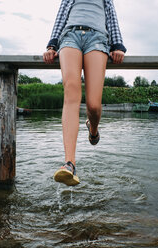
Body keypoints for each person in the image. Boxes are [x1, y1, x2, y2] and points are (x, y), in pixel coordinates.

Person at [43, 0, 126, 186]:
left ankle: (93, 129)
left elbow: (111, 18)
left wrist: (118, 45)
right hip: (70, 36)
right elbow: (61, 16)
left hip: (97, 38)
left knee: (94, 105)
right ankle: (69, 164)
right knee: (71, 94)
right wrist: (52, 46)